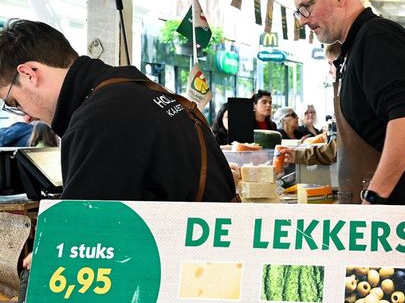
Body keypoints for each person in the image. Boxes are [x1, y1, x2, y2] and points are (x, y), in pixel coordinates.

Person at [0, 19, 236, 202]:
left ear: (29, 74)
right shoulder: (134, 87)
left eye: (14, 103)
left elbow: (83, 237)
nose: (26, 117)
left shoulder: (97, 121)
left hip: (187, 258)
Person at [292, 0, 405, 205]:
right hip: (373, 213)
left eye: (305, 7)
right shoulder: (355, 47)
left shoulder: (377, 38)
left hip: (393, 212)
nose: (302, 20)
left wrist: (375, 195)